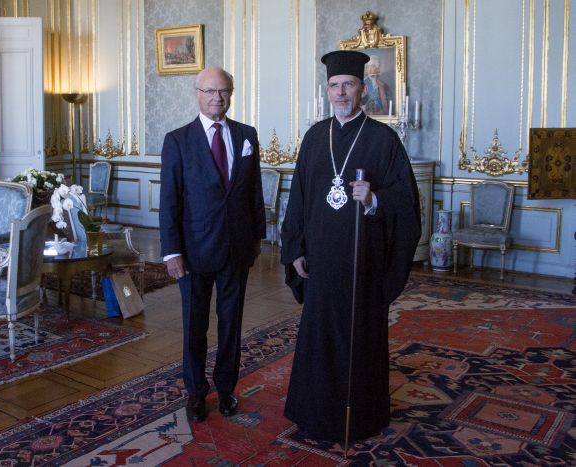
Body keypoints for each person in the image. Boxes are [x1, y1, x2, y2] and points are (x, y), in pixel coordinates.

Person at [280, 50, 421, 443]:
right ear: (327, 90)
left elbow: (407, 204)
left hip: (363, 262)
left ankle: (361, 416)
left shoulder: (383, 139)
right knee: (320, 336)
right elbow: (298, 199)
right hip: (321, 260)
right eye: (334, 85)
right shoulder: (314, 137)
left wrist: (374, 200)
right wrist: (295, 248)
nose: (341, 92)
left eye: (348, 85)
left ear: (362, 90)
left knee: (359, 337)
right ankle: (313, 412)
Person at [159, 65, 266, 422]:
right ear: (197, 94)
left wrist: (257, 238)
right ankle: (195, 392)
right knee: (195, 326)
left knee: (231, 324)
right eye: (209, 91)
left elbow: (254, 192)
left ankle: (226, 388)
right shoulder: (178, 140)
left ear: (231, 94)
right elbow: (169, 200)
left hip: (237, 248)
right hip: (193, 251)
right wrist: (172, 252)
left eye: (223, 91)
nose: (217, 98)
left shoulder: (247, 135)